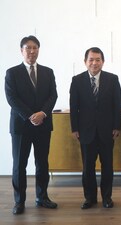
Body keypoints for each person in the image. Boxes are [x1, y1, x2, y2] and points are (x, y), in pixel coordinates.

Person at [5, 35, 58, 215]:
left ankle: (42, 197)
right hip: (21, 127)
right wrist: (30, 115)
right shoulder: (12, 72)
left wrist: (42, 114)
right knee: (20, 164)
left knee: (42, 163)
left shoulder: (48, 72)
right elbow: (12, 98)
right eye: (28, 48)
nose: (32, 51)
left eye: (35, 47)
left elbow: (53, 96)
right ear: (22, 50)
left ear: (38, 50)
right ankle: (19, 201)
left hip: (43, 125)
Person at [69, 47, 121, 209]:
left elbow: (117, 105)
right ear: (85, 62)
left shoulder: (112, 79)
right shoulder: (77, 81)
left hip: (107, 131)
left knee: (107, 166)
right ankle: (89, 198)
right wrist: (74, 128)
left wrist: (117, 126)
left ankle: (107, 197)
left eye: (98, 59)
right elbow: (74, 107)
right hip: (86, 132)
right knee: (88, 168)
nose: (94, 63)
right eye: (91, 59)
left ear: (103, 62)